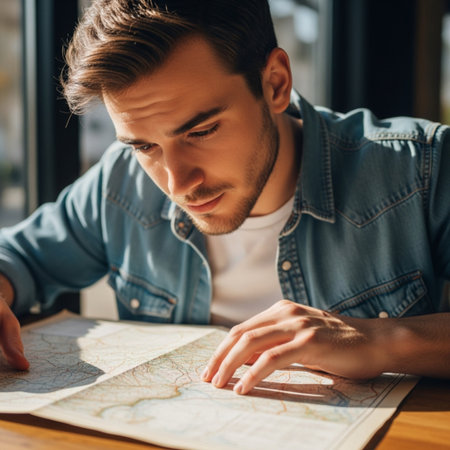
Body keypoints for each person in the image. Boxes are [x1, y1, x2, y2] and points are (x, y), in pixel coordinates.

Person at [0, 0, 449, 396]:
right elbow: (18, 255)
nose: (177, 184)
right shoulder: (119, 182)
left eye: (200, 131)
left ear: (275, 83)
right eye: (143, 146)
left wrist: (379, 340)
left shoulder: (422, 170)